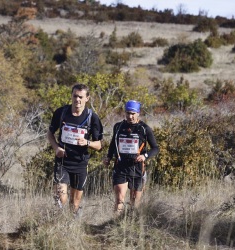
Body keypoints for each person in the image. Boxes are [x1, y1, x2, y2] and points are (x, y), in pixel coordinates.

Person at [47, 83, 103, 215]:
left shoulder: (92, 118)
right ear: (71, 96)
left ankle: (73, 226)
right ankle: (57, 223)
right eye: (75, 96)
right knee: (61, 198)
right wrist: (56, 148)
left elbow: (99, 145)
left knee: (74, 204)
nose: (77, 100)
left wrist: (87, 142)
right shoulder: (61, 112)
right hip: (62, 161)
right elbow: (50, 133)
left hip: (80, 163)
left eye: (80, 97)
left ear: (87, 98)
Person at [103, 100, 159, 213]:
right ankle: (115, 226)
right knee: (119, 200)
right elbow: (113, 144)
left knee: (134, 203)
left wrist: (145, 156)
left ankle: (131, 226)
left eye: (133, 113)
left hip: (137, 168)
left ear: (138, 113)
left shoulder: (144, 129)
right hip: (121, 166)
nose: (130, 116)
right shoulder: (118, 127)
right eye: (128, 113)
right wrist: (108, 157)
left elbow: (155, 148)